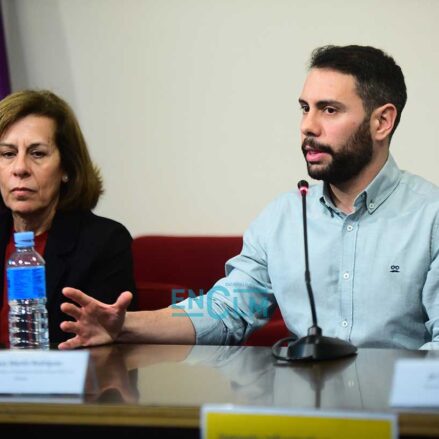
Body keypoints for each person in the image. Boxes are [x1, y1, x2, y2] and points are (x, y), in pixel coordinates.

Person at [59, 45, 439, 351]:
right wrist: (125, 325)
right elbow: (228, 311)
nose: (308, 126)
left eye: (329, 110)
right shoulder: (283, 218)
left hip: (401, 413)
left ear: (381, 122)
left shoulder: (430, 217)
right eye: (305, 108)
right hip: (305, 408)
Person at [0, 89, 137, 346]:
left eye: (37, 153)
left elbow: (109, 348)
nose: (19, 168)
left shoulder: (103, 242)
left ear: (66, 168)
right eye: (8, 153)